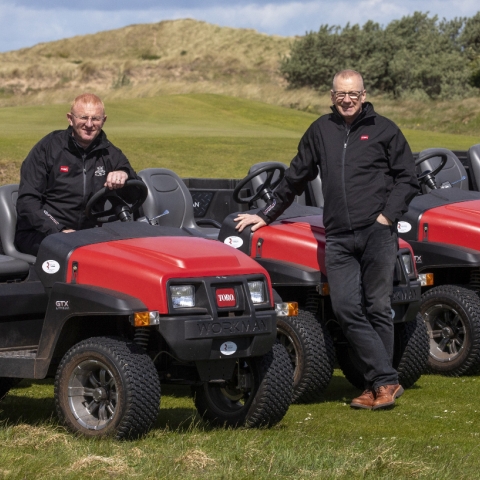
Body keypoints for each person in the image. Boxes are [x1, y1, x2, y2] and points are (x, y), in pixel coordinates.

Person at [235, 69, 419, 410]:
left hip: (377, 233)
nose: (346, 100)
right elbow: (295, 176)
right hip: (337, 237)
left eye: (352, 94)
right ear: (331, 96)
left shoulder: (385, 129)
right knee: (347, 309)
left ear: (364, 95)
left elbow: (408, 178)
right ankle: (387, 379)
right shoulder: (321, 130)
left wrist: (387, 216)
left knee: (378, 308)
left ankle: (373, 386)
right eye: (340, 94)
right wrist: (265, 214)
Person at [15, 93, 140, 256]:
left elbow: (136, 193)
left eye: (95, 119)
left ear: (104, 120)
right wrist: (59, 230)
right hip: (42, 234)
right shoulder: (48, 148)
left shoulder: (109, 153)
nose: (89, 124)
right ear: (70, 118)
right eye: (83, 117)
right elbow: (27, 201)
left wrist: (124, 175)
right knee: (81, 256)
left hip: (88, 235)